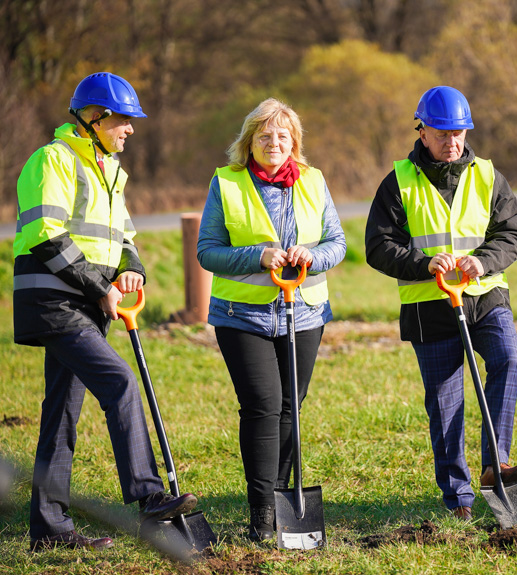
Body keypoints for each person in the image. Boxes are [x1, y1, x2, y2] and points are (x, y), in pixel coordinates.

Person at [13, 72, 198, 551]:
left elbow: (125, 237)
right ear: (95, 119)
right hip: (55, 304)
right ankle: (148, 494)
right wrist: (100, 288)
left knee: (61, 416)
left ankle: (49, 532)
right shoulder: (52, 161)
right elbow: (45, 234)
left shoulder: (110, 169)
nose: (131, 129)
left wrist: (130, 269)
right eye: (123, 119)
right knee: (120, 382)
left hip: (87, 303)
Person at [365, 86, 517, 521]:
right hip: (428, 306)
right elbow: (377, 247)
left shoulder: (489, 175)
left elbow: (511, 235)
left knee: (508, 360)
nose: (452, 142)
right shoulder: (397, 182)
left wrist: (482, 262)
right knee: (445, 403)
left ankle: (496, 463)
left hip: (486, 295)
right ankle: (459, 497)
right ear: (422, 132)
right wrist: (422, 263)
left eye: (459, 133)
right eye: (442, 134)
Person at [197, 98, 346, 540]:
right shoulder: (226, 183)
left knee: (289, 410)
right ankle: (262, 512)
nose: (274, 142)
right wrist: (256, 256)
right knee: (263, 406)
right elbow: (208, 251)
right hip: (242, 317)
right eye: (264, 136)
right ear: (249, 142)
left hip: (304, 316)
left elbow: (336, 242)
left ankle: (285, 503)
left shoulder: (314, 182)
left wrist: (312, 256)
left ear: (294, 142)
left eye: (283, 135)